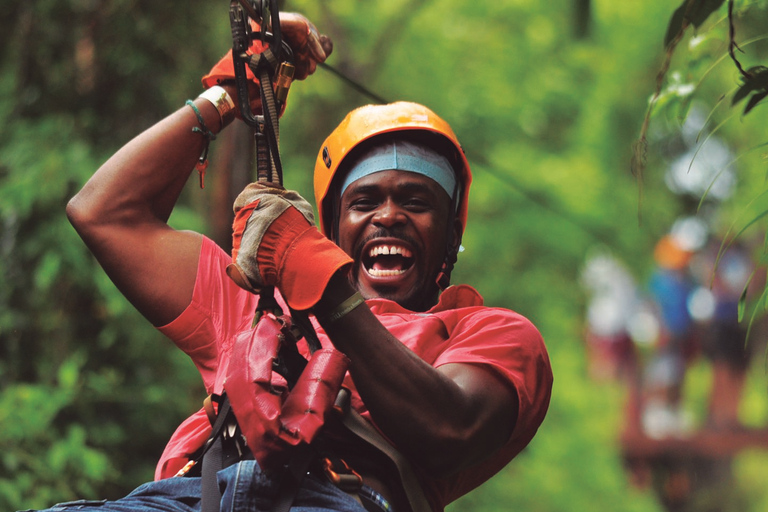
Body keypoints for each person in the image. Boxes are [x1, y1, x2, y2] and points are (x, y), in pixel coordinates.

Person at [40, 12, 552, 512]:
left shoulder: (491, 334)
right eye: (365, 201)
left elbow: (451, 431)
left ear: (450, 236)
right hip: (192, 497)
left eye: (416, 202)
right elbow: (106, 214)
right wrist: (228, 98)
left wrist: (322, 283)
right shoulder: (256, 306)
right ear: (336, 230)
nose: (389, 216)